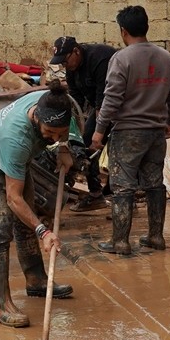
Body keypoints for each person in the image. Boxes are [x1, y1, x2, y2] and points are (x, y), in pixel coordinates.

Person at [0, 83, 77, 328]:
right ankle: (0, 305)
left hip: (18, 161)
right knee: (1, 227)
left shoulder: (56, 102)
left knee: (27, 220)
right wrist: (44, 232)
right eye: (49, 132)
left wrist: (63, 147)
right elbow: (13, 198)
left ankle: (36, 280)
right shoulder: (15, 137)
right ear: (36, 116)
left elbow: (67, 126)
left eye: (59, 133)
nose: (53, 137)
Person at [91, 5, 170, 256]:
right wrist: (169, 121)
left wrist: (99, 130)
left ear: (123, 31)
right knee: (155, 184)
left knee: (122, 186)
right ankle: (156, 236)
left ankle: (120, 242)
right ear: (147, 27)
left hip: (128, 133)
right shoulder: (167, 58)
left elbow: (112, 99)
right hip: (156, 133)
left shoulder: (121, 59)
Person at [50, 35, 117, 211]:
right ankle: (96, 195)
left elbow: (105, 98)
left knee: (117, 149)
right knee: (83, 145)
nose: (65, 65)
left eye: (65, 61)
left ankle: (125, 198)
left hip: (120, 107)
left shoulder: (100, 58)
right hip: (99, 107)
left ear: (76, 51)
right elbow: (75, 101)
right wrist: (70, 130)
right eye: (61, 63)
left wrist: (99, 132)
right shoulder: (72, 68)